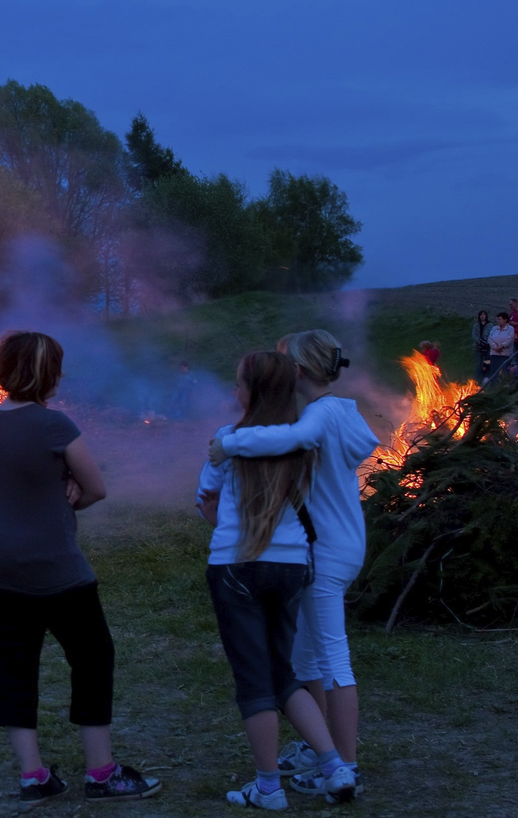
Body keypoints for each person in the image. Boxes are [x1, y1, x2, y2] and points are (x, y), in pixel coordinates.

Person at [0, 330, 161, 805]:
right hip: (51, 561)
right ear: (48, 374)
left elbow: (6, 485)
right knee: (92, 656)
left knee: (16, 661)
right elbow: (95, 487)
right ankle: (101, 773)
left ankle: (33, 776)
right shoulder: (56, 426)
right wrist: (69, 497)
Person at [208, 331, 378, 799]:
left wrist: (230, 444)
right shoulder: (340, 409)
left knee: (333, 660)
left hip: (325, 550)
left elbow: (295, 438)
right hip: (338, 543)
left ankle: (345, 764)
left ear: (297, 373)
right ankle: (316, 748)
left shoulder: (319, 415)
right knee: (304, 658)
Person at [486, 312, 517, 379]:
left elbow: (509, 339)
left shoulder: (510, 329)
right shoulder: (494, 328)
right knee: (494, 371)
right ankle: (493, 386)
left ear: (505, 320)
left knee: (504, 372)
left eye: (500, 319)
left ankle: (503, 386)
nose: (498, 321)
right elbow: (490, 338)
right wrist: (495, 347)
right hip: (494, 354)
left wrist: (501, 346)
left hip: (505, 355)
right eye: (498, 319)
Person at [470, 311, 492, 382]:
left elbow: (491, 334)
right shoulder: (476, 325)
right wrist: (479, 341)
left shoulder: (490, 325)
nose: (482, 316)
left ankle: (486, 376)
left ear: (486, 316)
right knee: (479, 363)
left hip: (487, 347)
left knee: (487, 361)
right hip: (478, 346)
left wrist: (486, 341)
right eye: (481, 315)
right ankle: (478, 378)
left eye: (484, 315)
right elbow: (473, 335)